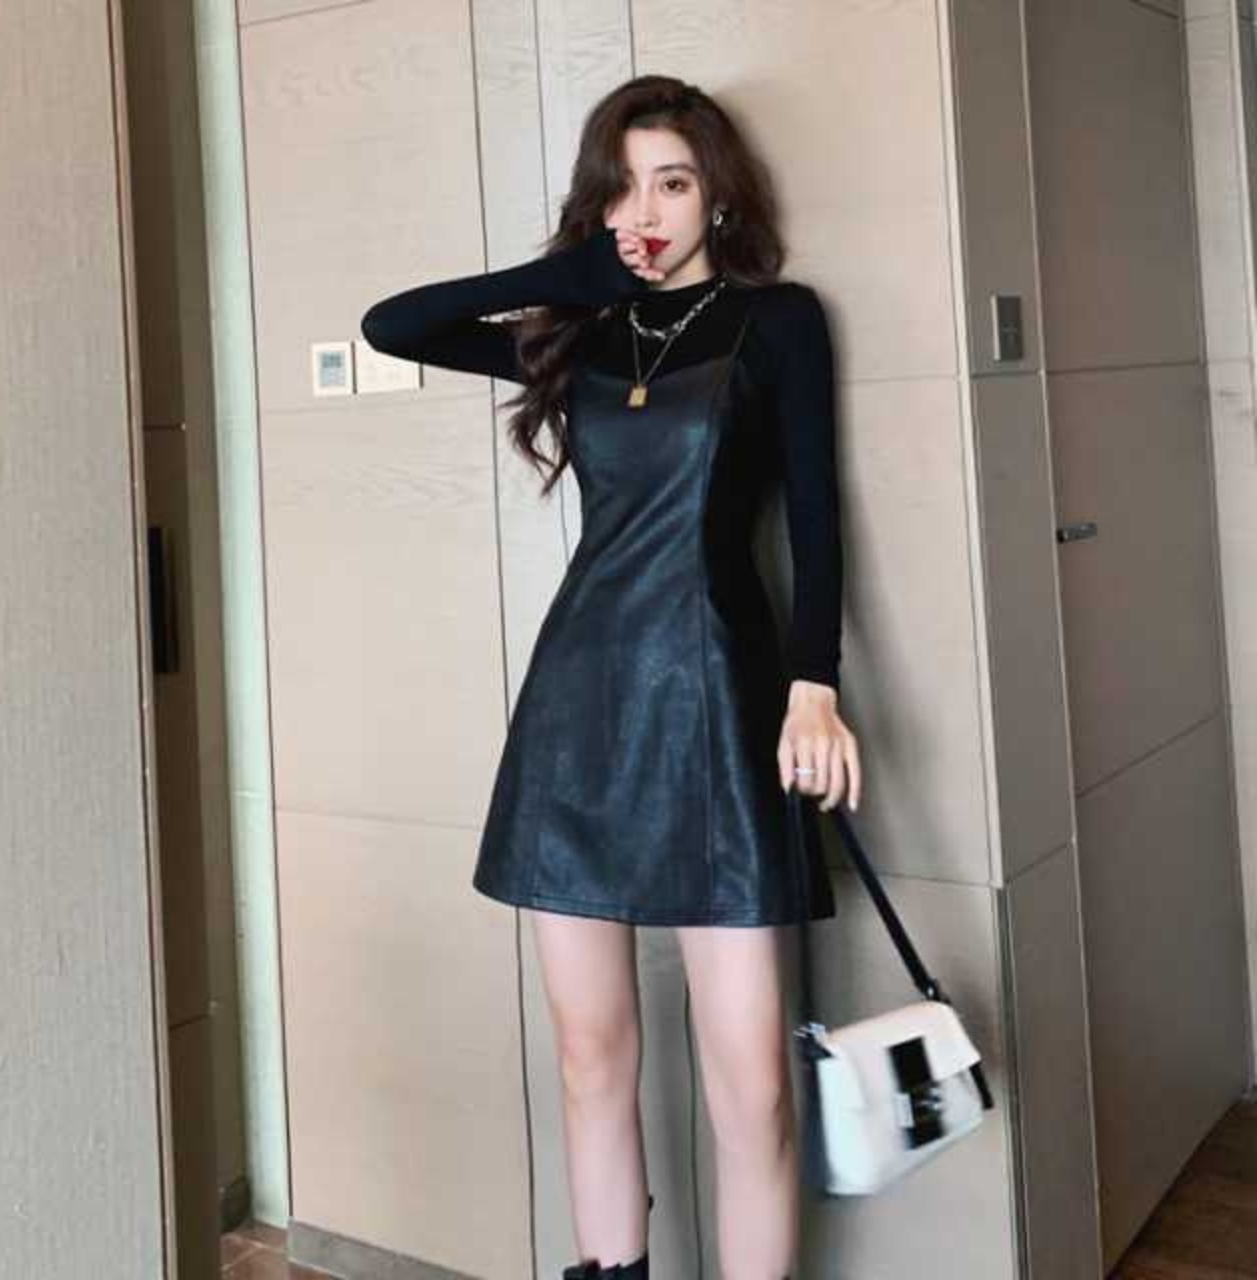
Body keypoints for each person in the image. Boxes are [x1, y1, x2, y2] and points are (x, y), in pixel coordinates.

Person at [361, 73, 862, 1280]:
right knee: (590, 1056)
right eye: (622, 187)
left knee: (751, 1087)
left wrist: (813, 683)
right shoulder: (580, 329)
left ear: (716, 195)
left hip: (716, 699)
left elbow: (814, 508)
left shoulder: (777, 321)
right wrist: (567, 279)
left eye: (672, 183)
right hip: (577, 706)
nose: (646, 211)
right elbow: (393, 324)